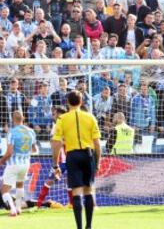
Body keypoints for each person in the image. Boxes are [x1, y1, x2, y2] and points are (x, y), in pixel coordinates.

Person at [52, 90, 101, 229]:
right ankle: (89, 226)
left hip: (72, 155)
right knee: (88, 191)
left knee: (76, 192)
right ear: (81, 102)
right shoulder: (90, 117)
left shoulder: (62, 119)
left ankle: (79, 227)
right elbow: (97, 143)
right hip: (88, 155)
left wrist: (55, 165)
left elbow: (57, 143)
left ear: (68, 102)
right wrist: (98, 162)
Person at [0, 111, 37, 216]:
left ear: (13, 119)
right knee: (20, 185)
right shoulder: (31, 132)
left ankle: (12, 209)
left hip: (14, 163)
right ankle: (18, 208)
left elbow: (9, 152)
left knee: (4, 189)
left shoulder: (12, 133)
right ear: (24, 118)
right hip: (26, 163)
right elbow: (34, 149)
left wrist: (0, 162)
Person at [37, 106, 73, 207]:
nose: (53, 115)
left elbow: (57, 143)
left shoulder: (62, 126)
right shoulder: (58, 125)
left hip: (65, 160)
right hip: (64, 159)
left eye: (55, 113)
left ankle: (38, 204)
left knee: (55, 181)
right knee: (53, 181)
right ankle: (39, 204)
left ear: (59, 114)